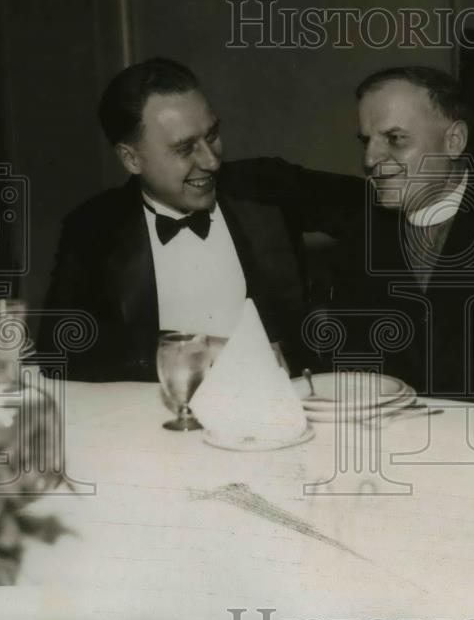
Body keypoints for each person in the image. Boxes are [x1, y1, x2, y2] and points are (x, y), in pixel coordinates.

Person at [40, 57, 360, 381]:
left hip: (277, 410)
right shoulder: (94, 227)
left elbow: (379, 207)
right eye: (184, 148)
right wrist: (206, 352)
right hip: (157, 418)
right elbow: (59, 351)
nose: (211, 161)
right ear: (131, 158)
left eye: (213, 134)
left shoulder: (266, 188)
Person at [330, 66, 474, 402]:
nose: (370, 159)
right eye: (366, 141)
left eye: (395, 139)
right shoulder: (357, 239)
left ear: (453, 141)